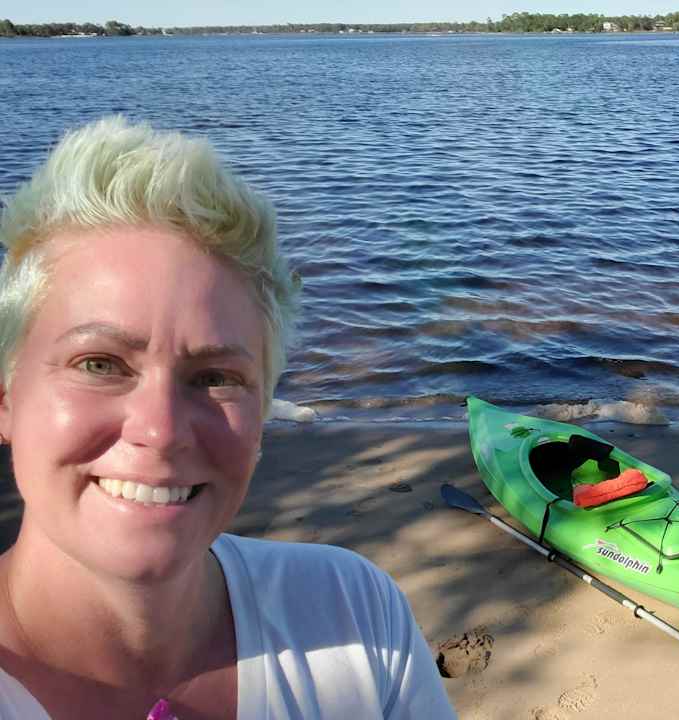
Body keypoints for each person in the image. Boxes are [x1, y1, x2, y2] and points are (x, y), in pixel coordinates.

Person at [0, 117, 457, 718]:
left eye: (216, 378)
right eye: (100, 363)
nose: (160, 430)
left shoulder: (356, 616)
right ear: (7, 395)